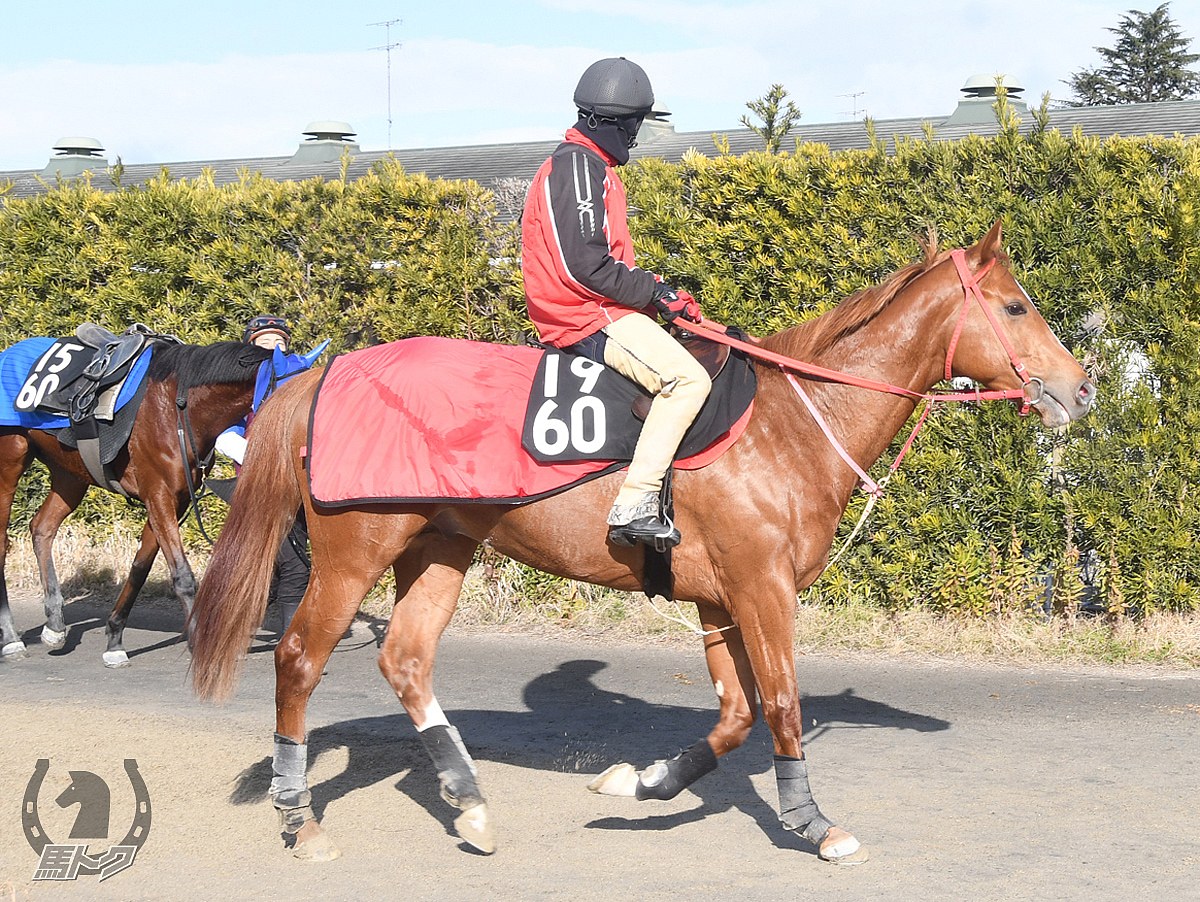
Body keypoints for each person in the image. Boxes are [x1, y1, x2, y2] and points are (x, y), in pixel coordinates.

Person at [521, 57, 711, 550]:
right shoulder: (578, 167)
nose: (635, 138)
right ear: (619, 122)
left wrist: (658, 295)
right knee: (688, 379)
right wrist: (655, 292)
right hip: (585, 314)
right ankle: (636, 503)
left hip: (599, 308)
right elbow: (586, 267)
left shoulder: (589, 165)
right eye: (635, 127)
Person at [214, 314, 310, 635]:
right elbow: (224, 434)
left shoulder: (298, 381)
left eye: (279, 342)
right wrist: (263, 459)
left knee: (274, 568)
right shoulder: (240, 387)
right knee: (293, 567)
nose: (274, 348)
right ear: (250, 348)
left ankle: (226, 628)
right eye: (265, 342)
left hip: (297, 488)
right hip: (256, 487)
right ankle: (290, 646)